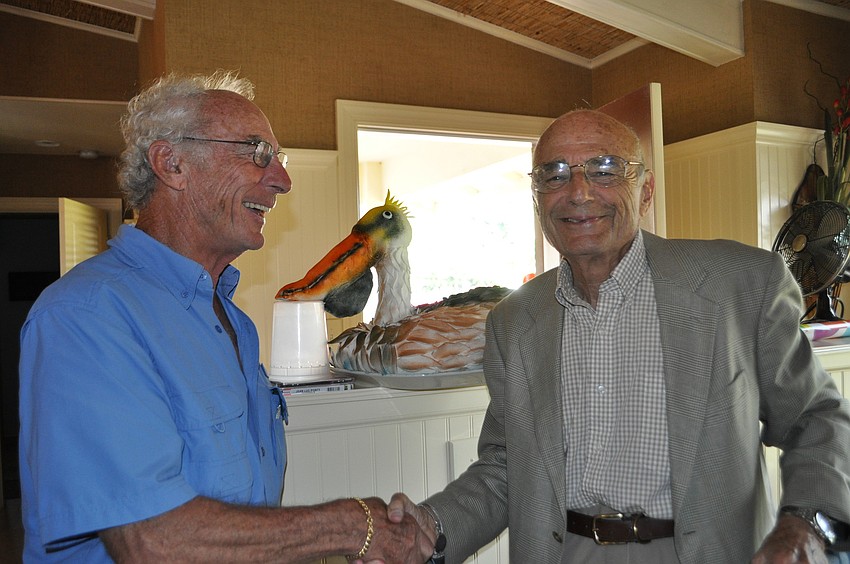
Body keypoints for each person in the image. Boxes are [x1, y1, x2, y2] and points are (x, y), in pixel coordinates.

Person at [388, 108, 850, 563]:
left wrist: (803, 527)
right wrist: (433, 525)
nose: (578, 192)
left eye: (604, 170)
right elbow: (506, 467)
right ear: (537, 198)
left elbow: (818, 420)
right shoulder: (514, 320)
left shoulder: (741, 284)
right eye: (554, 175)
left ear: (645, 191)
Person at [18, 71, 434, 563]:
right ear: (172, 164)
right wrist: (350, 525)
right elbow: (151, 541)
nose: (283, 180)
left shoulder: (236, 323)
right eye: (258, 153)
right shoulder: (85, 317)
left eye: (280, 159)